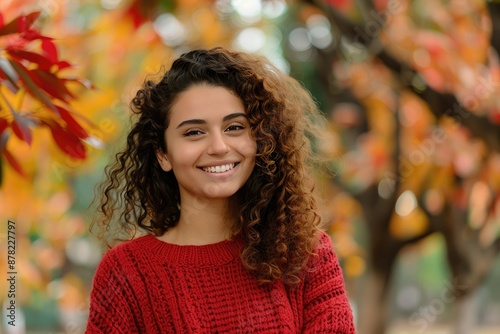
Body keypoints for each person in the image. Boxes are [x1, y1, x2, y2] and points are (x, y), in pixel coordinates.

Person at [86, 47, 356, 333]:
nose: (219, 147)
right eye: (194, 132)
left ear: (259, 140)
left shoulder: (305, 254)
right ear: (162, 154)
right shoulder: (126, 273)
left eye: (235, 127)